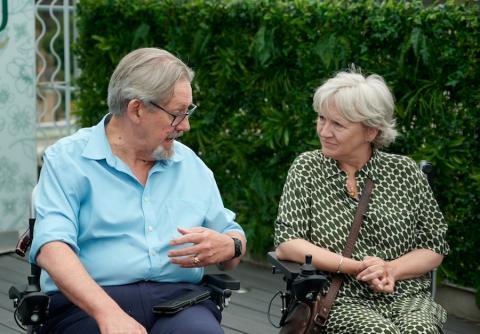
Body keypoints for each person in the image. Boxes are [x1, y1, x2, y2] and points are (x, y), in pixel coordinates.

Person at [29, 47, 246, 334]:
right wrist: (108, 314)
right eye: (177, 114)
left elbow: (232, 237)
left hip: (180, 302)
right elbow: (52, 247)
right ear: (136, 109)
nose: (186, 126)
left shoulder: (190, 165)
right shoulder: (68, 160)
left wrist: (230, 245)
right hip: (88, 304)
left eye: (188, 112)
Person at [274, 69, 448, 334]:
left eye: (338, 124)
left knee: (421, 330)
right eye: (321, 118)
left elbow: (434, 246)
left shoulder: (405, 172)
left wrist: (390, 270)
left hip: (405, 295)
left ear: (370, 131)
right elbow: (288, 243)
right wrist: (357, 268)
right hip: (336, 296)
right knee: (379, 332)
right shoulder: (308, 167)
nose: (324, 131)